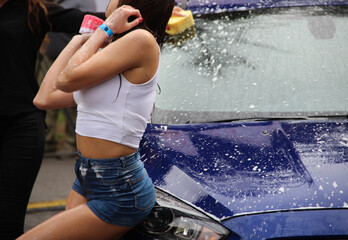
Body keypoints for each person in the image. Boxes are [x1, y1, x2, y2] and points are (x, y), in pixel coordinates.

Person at [18, 0, 174, 238]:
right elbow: (45, 97)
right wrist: (79, 40)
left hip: (119, 187)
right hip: (88, 175)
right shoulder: (112, 52)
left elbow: (66, 79)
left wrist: (105, 29)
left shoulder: (141, 41)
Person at [0, 0, 104, 239]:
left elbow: (91, 21)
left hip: (20, 125)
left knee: (7, 217)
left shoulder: (33, 9)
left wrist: (148, 12)